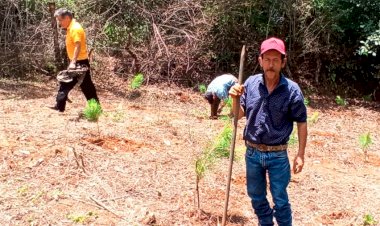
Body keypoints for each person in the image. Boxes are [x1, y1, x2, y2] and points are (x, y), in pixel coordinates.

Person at [229, 37, 308, 226]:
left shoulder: (292, 90)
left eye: (275, 60)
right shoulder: (250, 84)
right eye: (267, 60)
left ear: (283, 62)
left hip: (278, 155)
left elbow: (302, 122)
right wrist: (234, 98)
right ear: (260, 61)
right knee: (256, 197)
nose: (270, 65)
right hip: (253, 152)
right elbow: (237, 115)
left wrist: (301, 154)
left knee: (280, 200)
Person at [51, 8, 99, 112]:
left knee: (72, 83)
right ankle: (60, 106)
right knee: (84, 86)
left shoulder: (75, 28)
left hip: (79, 62)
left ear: (67, 18)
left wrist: (73, 62)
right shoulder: (71, 27)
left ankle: (60, 106)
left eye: (60, 20)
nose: (60, 23)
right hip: (77, 61)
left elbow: (78, 45)